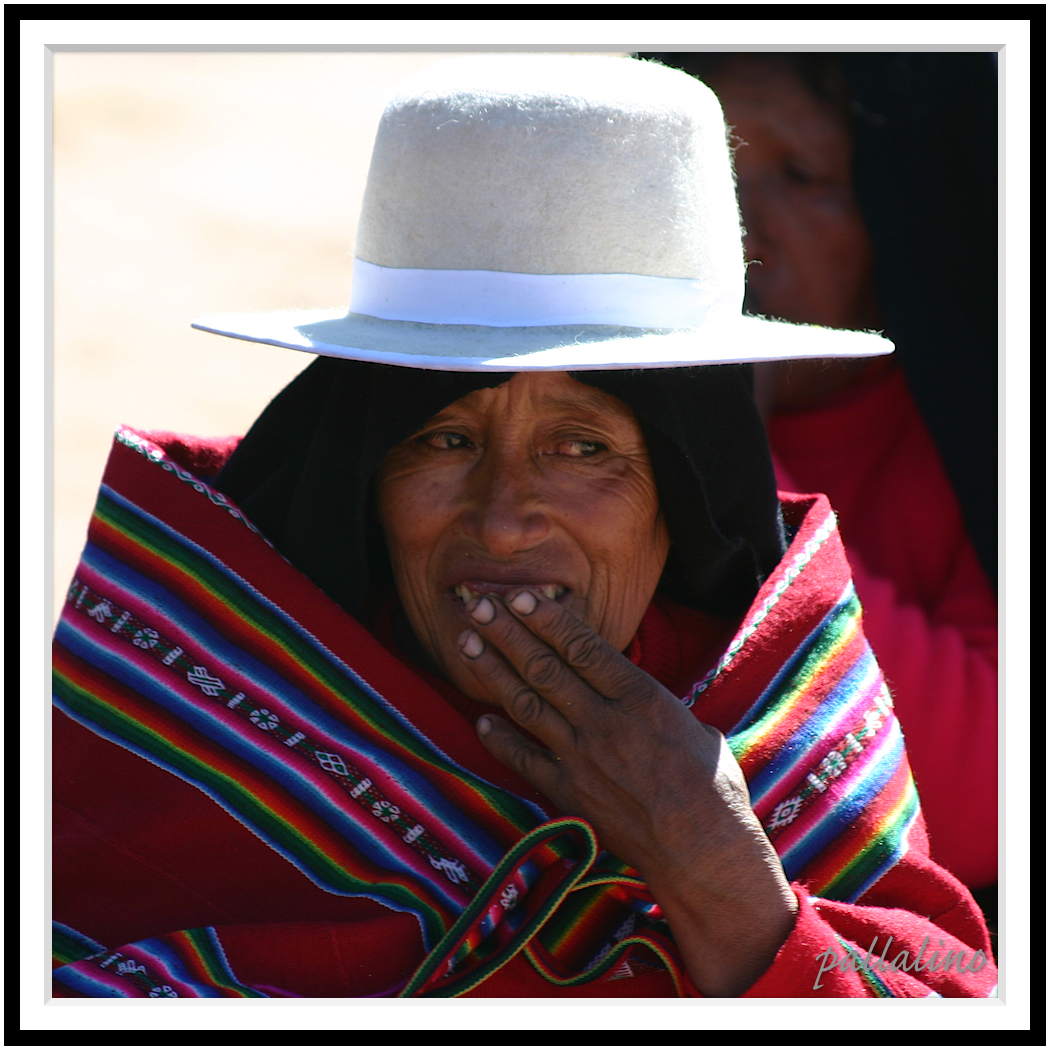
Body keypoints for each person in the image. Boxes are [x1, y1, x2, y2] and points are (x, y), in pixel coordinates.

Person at [51, 55, 996, 998]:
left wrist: (718, 872)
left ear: (683, 487)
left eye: (583, 450)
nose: (502, 526)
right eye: (445, 438)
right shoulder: (203, 697)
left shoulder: (783, 733)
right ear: (365, 473)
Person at [637, 52, 999, 895]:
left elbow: (985, 806)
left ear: (905, 222)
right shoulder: (577, 415)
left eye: (801, 177)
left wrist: (732, 448)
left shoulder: (979, 441)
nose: (738, 226)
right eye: (705, 171)